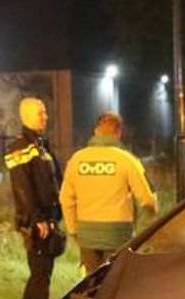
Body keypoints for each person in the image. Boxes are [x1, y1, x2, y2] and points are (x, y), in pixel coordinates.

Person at [60, 112, 157, 275]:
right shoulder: (127, 160)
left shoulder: (76, 159)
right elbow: (147, 200)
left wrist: (74, 230)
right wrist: (144, 226)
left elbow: (65, 199)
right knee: (114, 283)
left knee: (90, 284)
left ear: (96, 131)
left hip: (87, 235)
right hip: (118, 235)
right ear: (118, 133)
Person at [5, 97, 63, 299]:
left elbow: (54, 181)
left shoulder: (41, 145)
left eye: (45, 112)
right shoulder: (19, 148)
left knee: (41, 271)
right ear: (27, 116)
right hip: (36, 220)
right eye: (41, 113)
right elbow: (23, 188)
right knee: (41, 274)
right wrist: (36, 218)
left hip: (48, 218)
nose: (45, 116)